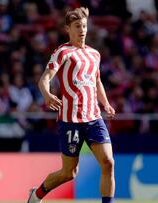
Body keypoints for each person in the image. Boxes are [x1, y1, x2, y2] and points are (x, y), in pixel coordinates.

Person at [27, 7, 116, 203]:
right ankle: (36, 195)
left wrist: (106, 104)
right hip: (71, 121)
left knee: (108, 163)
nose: (82, 30)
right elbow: (44, 79)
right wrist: (47, 95)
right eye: (77, 26)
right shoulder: (63, 51)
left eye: (84, 26)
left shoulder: (95, 54)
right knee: (69, 173)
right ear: (68, 29)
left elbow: (97, 81)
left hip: (94, 118)